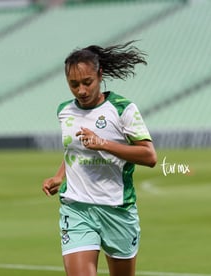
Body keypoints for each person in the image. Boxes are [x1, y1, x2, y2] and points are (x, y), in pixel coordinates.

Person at [42, 40, 157, 276]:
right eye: (73, 84)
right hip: (77, 209)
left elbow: (149, 156)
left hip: (116, 209)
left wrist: (102, 144)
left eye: (87, 82)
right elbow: (73, 151)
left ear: (100, 75)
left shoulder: (123, 109)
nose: (81, 90)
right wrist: (58, 176)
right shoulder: (65, 111)